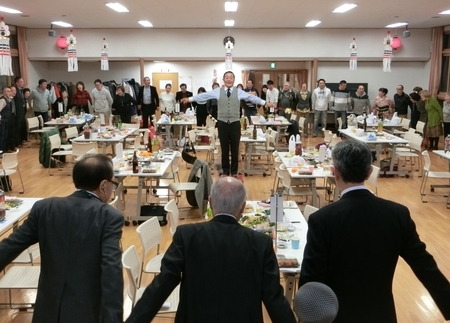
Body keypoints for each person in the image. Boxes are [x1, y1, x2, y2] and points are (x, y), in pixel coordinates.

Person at [300, 139, 450, 323]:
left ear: (334, 172)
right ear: (369, 172)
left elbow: (311, 281)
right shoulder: (397, 214)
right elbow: (426, 267)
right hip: (382, 315)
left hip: (337, 316)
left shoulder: (322, 219)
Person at [125, 176, 297, 323]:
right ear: (243, 208)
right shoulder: (261, 243)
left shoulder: (187, 235)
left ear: (211, 202)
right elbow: (274, 299)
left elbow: (162, 285)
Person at [0, 154, 124, 323]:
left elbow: (9, 247)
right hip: (86, 312)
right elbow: (111, 270)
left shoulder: (44, 208)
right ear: (103, 186)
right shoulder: (109, 216)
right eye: (113, 183)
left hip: (47, 310)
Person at [181, 71, 273, 176]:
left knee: (235, 149)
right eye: (227, 78)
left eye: (231, 78)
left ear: (234, 80)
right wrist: (189, 99)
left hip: (234, 123)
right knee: (224, 149)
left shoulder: (239, 91)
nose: (229, 79)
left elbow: (251, 98)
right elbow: (204, 96)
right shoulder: (217, 91)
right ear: (223, 80)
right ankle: (225, 171)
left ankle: (234, 172)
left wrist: (265, 103)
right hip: (222, 123)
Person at [13, 76, 28, 147]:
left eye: (23, 81)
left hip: (22, 111)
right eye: (21, 82)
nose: (23, 83)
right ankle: (17, 142)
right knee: (18, 127)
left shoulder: (22, 90)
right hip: (18, 112)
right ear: (17, 83)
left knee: (22, 126)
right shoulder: (15, 91)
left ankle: (22, 140)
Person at [0, 87, 12, 154]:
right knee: (2, 136)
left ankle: (4, 151)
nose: (9, 92)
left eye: (10, 91)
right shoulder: (3, 100)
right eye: (7, 91)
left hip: (7, 120)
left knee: (5, 136)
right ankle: (1, 151)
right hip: (3, 120)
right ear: (4, 93)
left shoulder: (9, 100)